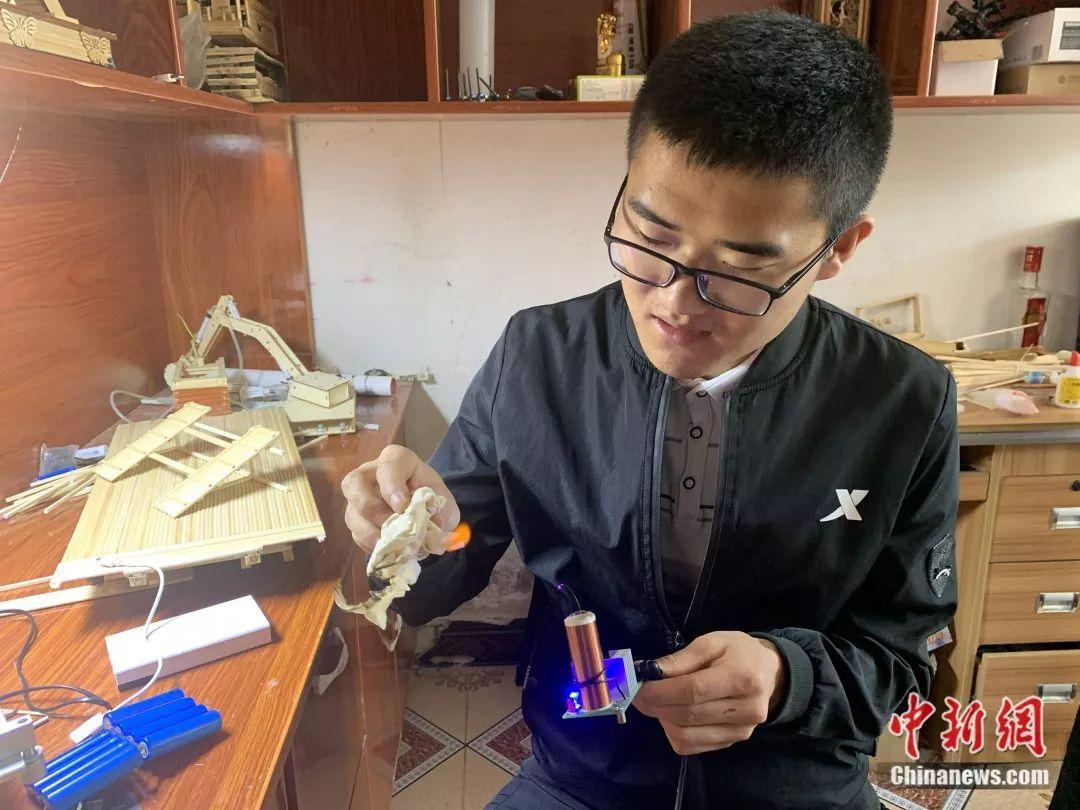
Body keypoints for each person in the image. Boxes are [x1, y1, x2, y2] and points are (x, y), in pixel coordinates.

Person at [342, 11, 958, 809]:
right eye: (650, 237)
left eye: (739, 270)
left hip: (792, 783)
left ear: (839, 248)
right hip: (584, 775)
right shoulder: (538, 358)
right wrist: (411, 536)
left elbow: (903, 664)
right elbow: (440, 572)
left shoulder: (902, 400)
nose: (673, 303)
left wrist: (788, 678)